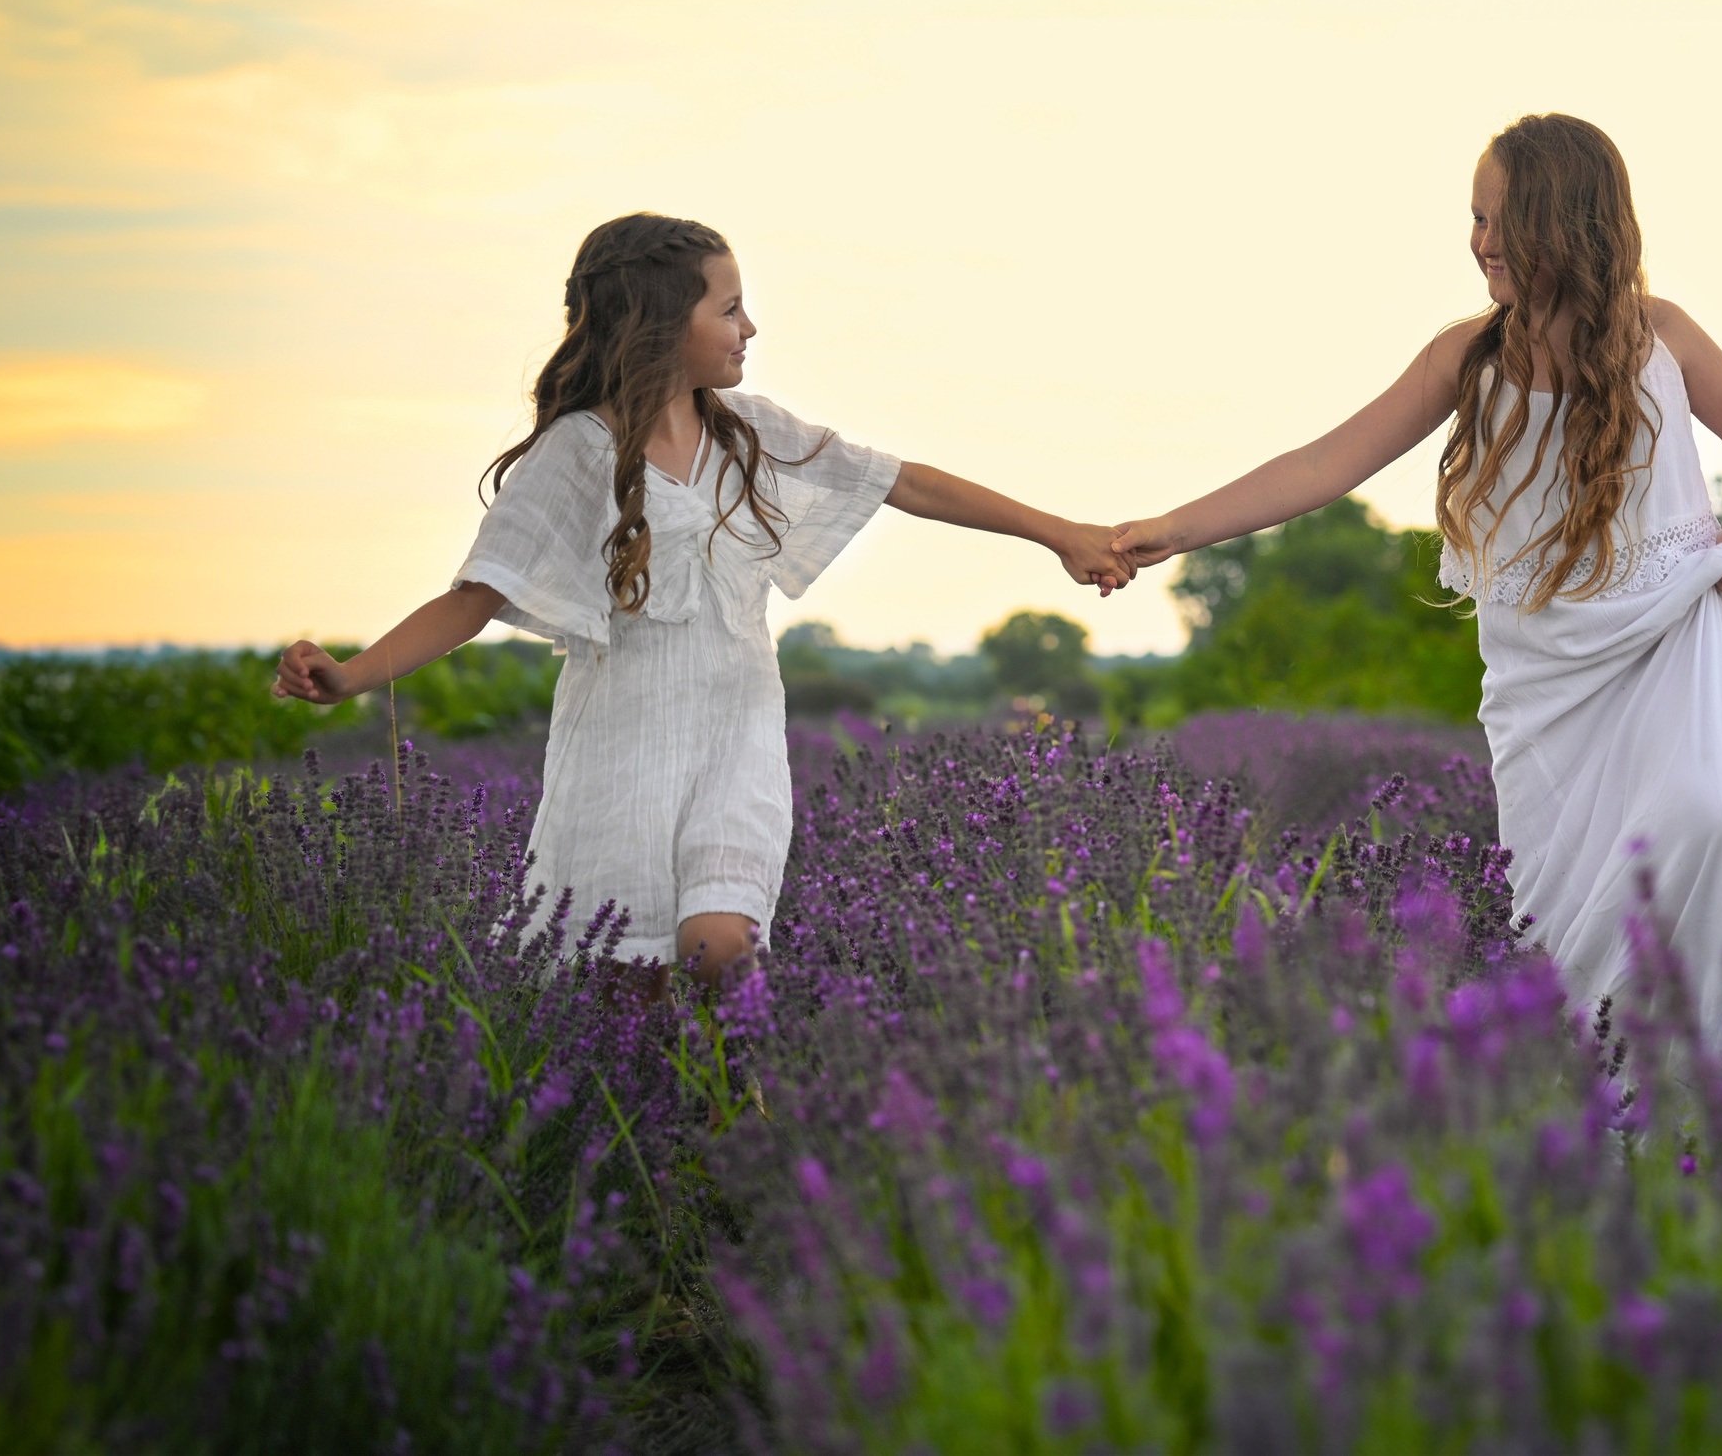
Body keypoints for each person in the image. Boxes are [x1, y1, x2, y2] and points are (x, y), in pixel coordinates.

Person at [273, 212, 1132, 986]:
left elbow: (907, 483)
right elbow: (472, 600)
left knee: (720, 945)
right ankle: (675, 1146)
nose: (748, 325)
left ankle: (738, 1127)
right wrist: (349, 677)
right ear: (656, 323)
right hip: (623, 758)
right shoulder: (580, 450)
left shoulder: (748, 429)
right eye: (728, 308)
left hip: (737, 746)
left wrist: (1062, 533)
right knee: (625, 988)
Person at [1111, 115, 1722, 1064]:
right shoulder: (1466, 358)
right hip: (1546, 678)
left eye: (1500, 222)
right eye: (1474, 219)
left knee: (1714, 820)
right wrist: (1170, 530)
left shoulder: (1664, 337)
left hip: (1674, 633)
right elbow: (1323, 463)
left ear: (1568, 223)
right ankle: (1609, 1123)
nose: (1479, 243)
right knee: (1573, 917)